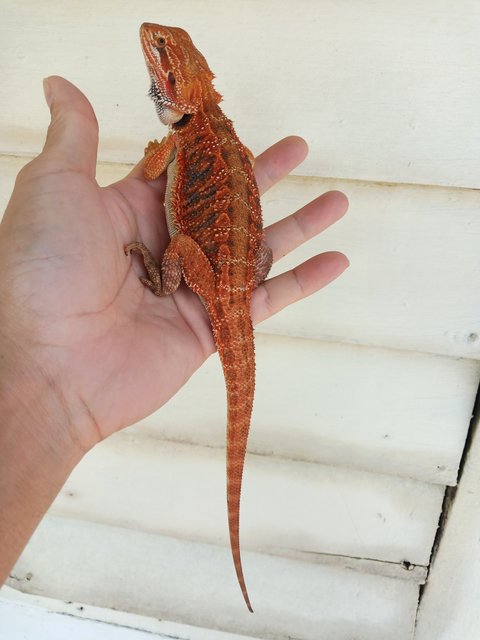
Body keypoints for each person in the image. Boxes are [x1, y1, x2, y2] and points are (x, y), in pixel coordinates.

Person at [0, 76, 349, 584]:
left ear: (183, 92)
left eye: (165, 61)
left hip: (211, 271)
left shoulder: (183, 138)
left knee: (182, 247)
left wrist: (169, 273)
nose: (153, 62)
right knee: (234, 251)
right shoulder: (210, 134)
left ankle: (163, 284)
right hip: (245, 271)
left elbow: (155, 170)